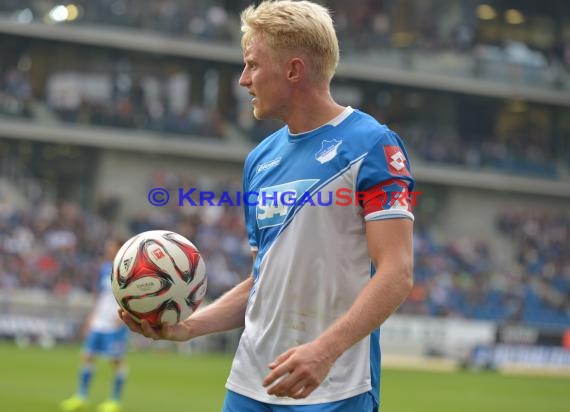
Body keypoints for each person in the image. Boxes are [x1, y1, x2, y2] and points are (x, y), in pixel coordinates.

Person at [120, 1, 414, 411]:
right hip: (248, 386)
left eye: (253, 65)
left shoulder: (372, 145)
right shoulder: (260, 160)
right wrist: (187, 328)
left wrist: (325, 351)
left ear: (293, 71)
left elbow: (397, 273)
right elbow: (263, 282)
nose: (243, 80)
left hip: (333, 388)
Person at [61, 238, 128, 412]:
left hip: (116, 322)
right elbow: (100, 295)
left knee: (116, 360)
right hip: (99, 321)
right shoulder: (105, 268)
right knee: (87, 356)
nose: (108, 249)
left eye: (111, 246)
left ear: (120, 249)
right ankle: (81, 396)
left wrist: (125, 316)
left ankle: (114, 401)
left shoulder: (130, 271)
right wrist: (92, 316)